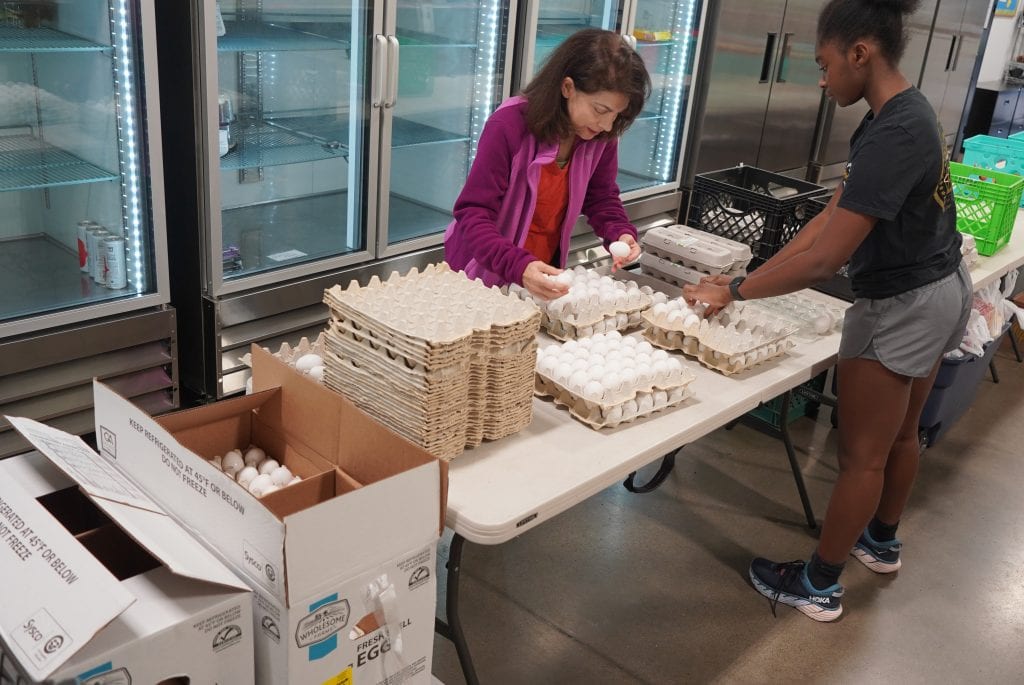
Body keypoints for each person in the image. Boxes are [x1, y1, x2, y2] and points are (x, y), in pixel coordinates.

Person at [683, 0, 972, 622]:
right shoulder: (902, 114)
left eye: (824, 63)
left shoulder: (895, 132)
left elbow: (824, 261)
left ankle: (817, 584)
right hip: (941, 286)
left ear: (859, 53)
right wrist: (748, 276)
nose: (821, 79)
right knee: (901, 435)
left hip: (902, 306)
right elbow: (826, 219)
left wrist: (732, 294)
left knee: (860, 457)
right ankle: (882, 540)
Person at [444, 28, 650, 300]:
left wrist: (619, 233)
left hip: (541, 270)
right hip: (482, 272)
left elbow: (601, 197)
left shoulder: (599, 135)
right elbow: (474, 212)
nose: (607, 125)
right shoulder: (509, 126)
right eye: (600, 110)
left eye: (616, 114)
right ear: (567, 87)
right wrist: (519, 266)